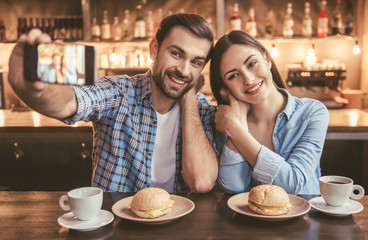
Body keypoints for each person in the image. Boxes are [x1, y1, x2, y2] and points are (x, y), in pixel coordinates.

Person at [8, 14, 219, 193]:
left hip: (178, 226)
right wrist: (36, 89)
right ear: (154, 49)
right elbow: (69, 103)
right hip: (116, 226)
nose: (183, 69)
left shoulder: (202, 110)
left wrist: (190, 94)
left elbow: (201, 182)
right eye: (176, 53)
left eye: (196, 62)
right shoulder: (118, 92)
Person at [210, 31, 329, 195]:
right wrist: (239, 122)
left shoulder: (312, 112)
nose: (248, 79)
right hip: (247, 220)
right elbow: (233, 187)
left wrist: (236, 130)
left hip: (306, 219)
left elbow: (293, 184)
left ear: (267, 60)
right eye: (233, 75)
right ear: (225, 87)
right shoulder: (223, 120)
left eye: (252, 64)